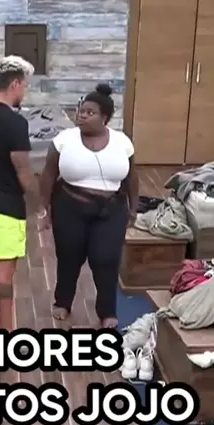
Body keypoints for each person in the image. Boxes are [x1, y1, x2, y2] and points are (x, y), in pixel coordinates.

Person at [39, 83, 139, 328]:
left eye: (90, 113)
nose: (82, 116)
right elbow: (48, 175)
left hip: (111, 210)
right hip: (70, 206)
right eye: (81, 111)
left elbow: (132, 178)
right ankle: (63, 301)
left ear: (105, 118)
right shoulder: (64, 140)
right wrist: (45, 209)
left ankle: (107, 311)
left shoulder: (122, 142)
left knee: (106, 259)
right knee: (69, 257)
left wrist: (134, 208)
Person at [0, 56, 47, 332]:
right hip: (5, 206)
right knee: (4, 273)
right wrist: (40, 206)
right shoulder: (15, 123)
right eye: (24, 85)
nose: (25, 90)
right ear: (14, 84)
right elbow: (24, 172)